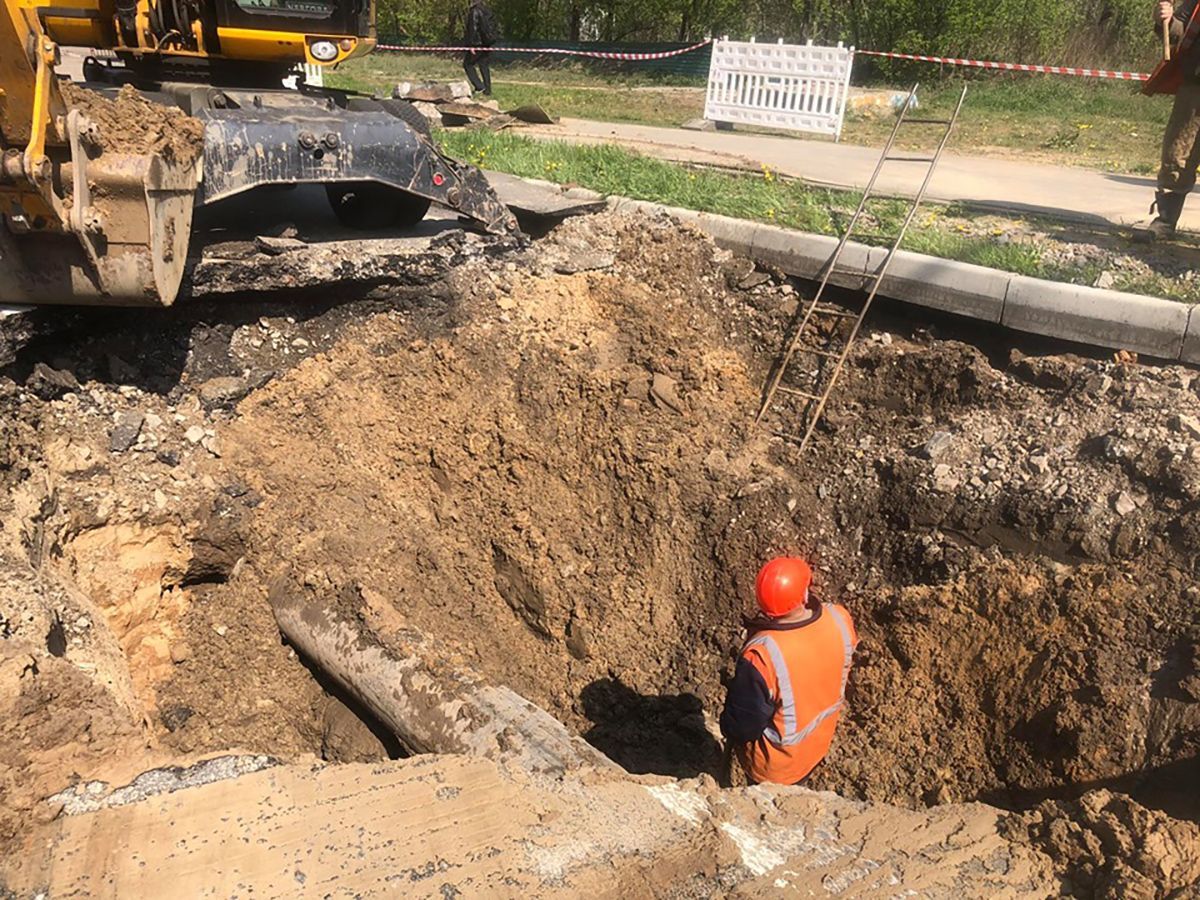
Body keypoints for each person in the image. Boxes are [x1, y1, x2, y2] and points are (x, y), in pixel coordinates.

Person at [719, 556, 858, 786]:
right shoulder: (838, 618)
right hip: (817, 744)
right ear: (804, 595)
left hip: (775, 767)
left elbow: (744, 726)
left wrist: (728, 723)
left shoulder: (762, 654)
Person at [1142, 0, 1200, 239]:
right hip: (1196, 87)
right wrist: (1166, 19)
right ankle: (1166, 220)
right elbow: (1179, 30)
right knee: (1178, 153)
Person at [463, 0, 498, 96]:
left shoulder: (474, 11)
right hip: (487, 42)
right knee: (484, 65)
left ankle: (479, 86)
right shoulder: (487, 10)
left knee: (467, 64)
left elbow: (473, 28)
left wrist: (471, 45)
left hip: (477, 43)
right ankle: (488, 90)